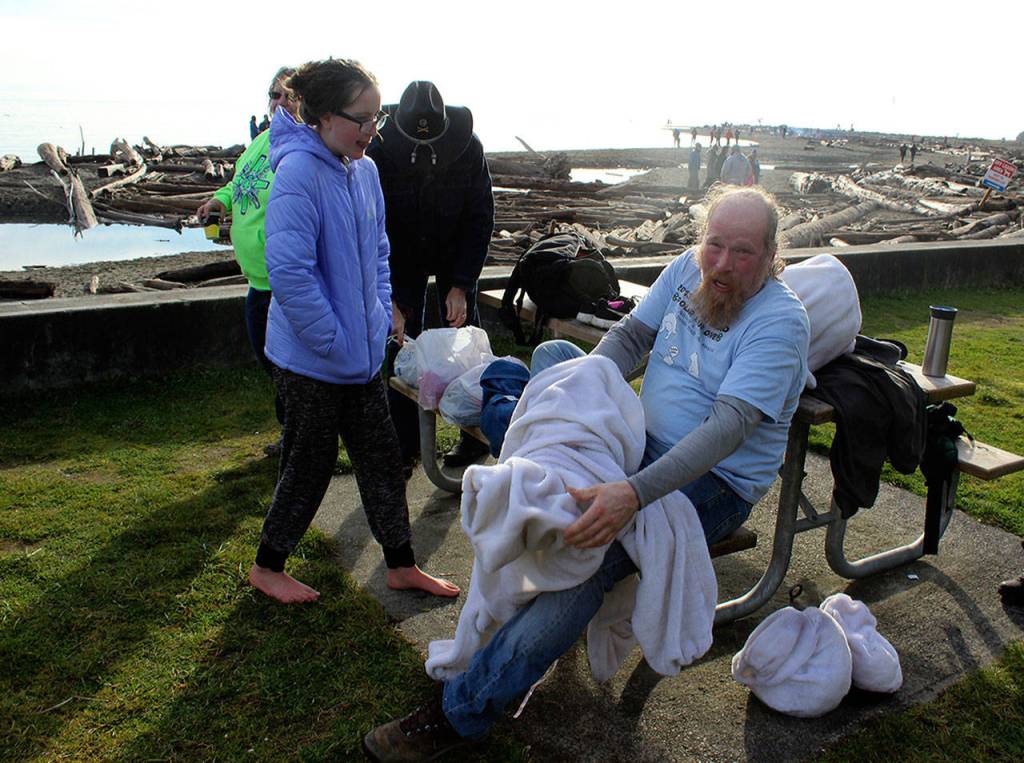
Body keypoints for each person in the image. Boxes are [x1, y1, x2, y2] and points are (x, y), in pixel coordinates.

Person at [363, 186, 809, 760]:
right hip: (636, 441)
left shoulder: (780, 322)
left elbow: (728, 428)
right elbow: (633, 336)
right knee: (554, 373)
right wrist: (586, 387)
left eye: (742, 253)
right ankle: (506, 643)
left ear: (772, 255)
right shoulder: (686, 270)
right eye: (714, 245)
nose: (721, 265)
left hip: (713, 480)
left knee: (581, 557)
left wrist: (632, 492)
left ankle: (461, 713)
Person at [249, 58, 459, 604]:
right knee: (308, 466)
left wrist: (385, 309)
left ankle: (400, 564)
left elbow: (379, 250)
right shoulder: (298, 173)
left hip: (361, 356)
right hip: (313, 361)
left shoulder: (364, 170)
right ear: (320, 116)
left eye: (377, 118)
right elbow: (289, 274)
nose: (373, 130)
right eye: (361, 119)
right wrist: (331, 341)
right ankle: (268, 566)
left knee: (383, 461)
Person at [367, 81, 495, 472]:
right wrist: (388, 296)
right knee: (400, 344)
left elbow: (479, 217)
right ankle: (405, 445)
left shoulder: (468, 147)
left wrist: (460, 283)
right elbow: (372, 225)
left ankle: (473, 440)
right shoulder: (379, 151)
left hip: (453, 250)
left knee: (466, 342)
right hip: (400, 254)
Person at [198, 68, 298, 456]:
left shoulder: (300, 149)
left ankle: (297, 438)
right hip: (256, 279)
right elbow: (238, 182)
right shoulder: (261, 143)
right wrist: (219, 200)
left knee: (286, 367)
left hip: (281, 280)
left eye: (289, 96)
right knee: (271, 364)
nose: (279, 103)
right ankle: (294, 432)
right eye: (275, 94)